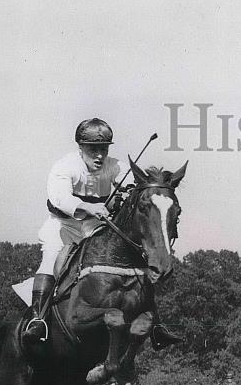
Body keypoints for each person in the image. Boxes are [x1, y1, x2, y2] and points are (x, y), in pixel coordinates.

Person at [22, 118, 180, 349]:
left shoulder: (115, 166)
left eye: (103, 149)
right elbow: (60, 199)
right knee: (50, 260)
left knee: (137, 260)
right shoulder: (65, 167)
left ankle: (155, 325)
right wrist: (89, 207)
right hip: (63, 227)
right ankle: (38, 320)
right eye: (92, 149)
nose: (99, 155)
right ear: (80, 147)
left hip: (96, 227)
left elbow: (131, 183)